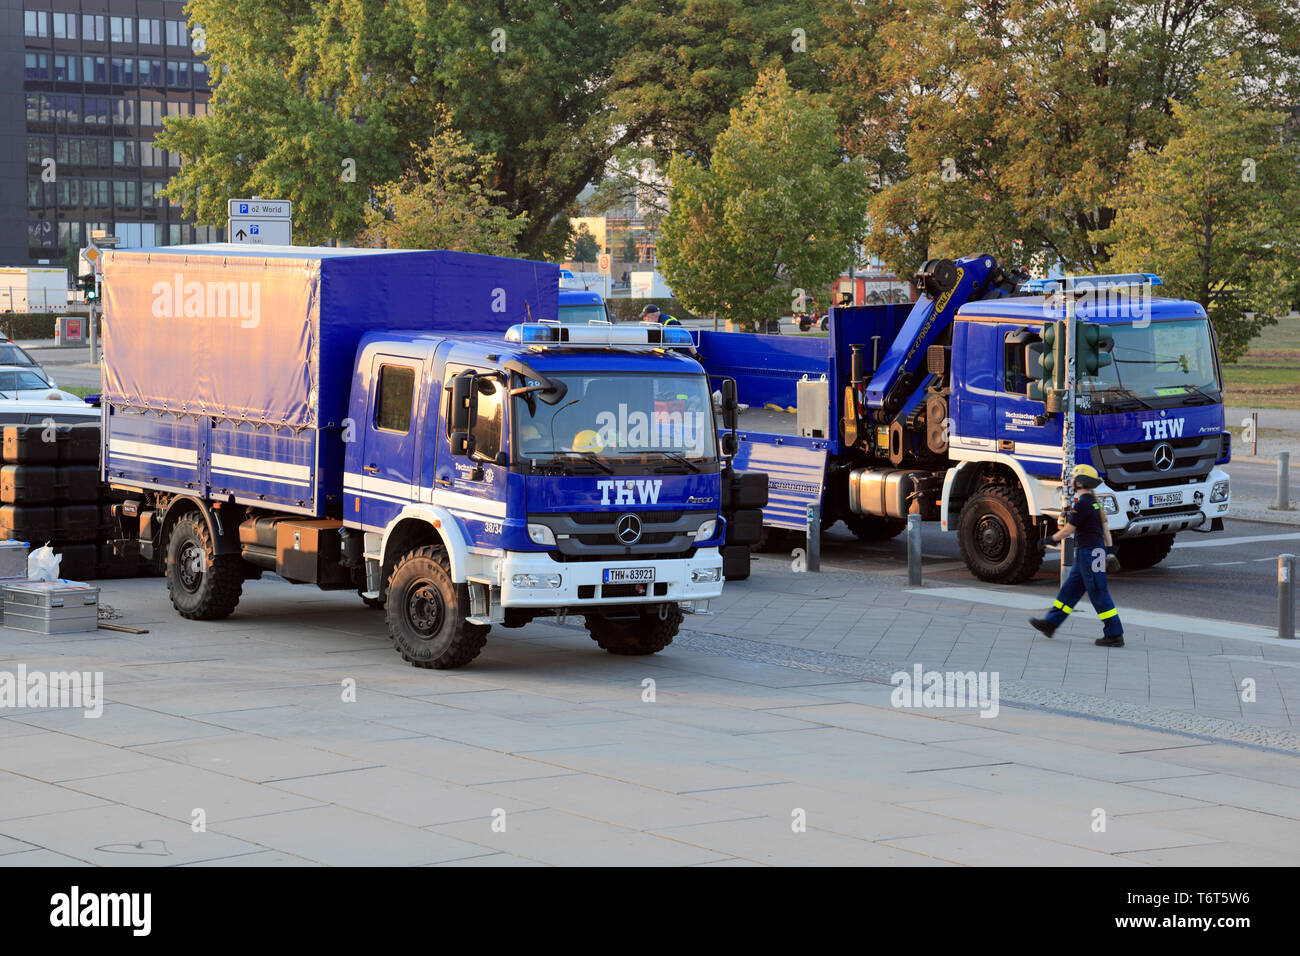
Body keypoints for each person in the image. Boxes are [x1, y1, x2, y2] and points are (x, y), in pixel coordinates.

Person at [1030, 463, 1124, 647]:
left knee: (1098, 593)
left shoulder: (1083, 505)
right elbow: (1105, 528)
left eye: (1074, 479)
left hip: (1089, 553)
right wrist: (1110, 551)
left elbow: (1068, 530)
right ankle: (1050, 624)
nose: (1072, 481)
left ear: (1080, 483)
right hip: (1090, 553)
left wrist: (1049, 540)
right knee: (1070, 591)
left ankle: (1114, 634)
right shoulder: (1095, 503)